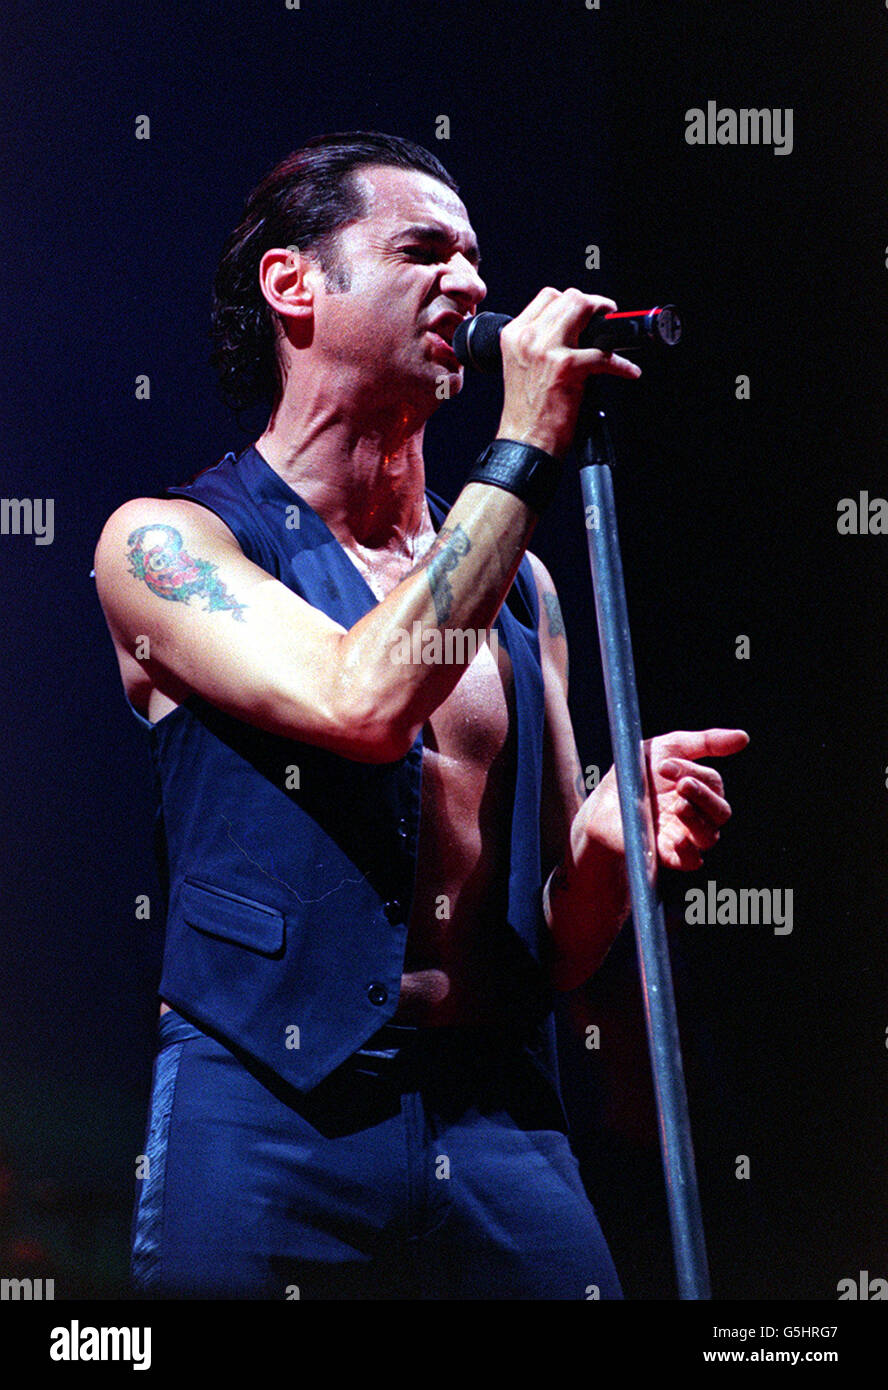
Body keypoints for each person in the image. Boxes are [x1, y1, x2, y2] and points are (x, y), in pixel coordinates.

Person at [94, 131, 747, 1300]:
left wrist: (608, 841)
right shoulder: (167, 545)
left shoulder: (519, 587)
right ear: (293, 283)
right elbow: (362, 697)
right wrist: (529, 438)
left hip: (494, 1117)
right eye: (422, 250)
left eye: (477, 258)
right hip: (269, 1111)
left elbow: (556, 945)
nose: (472, 284)